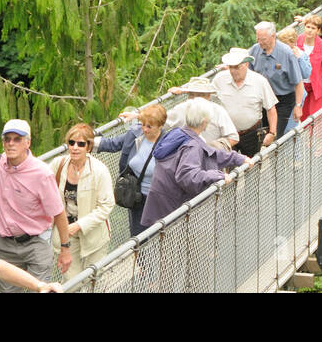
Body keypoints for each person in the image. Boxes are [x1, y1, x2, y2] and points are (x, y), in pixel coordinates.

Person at [0, 118, 72, 292]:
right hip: (5, 245)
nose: (11, 144)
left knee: (42, 289)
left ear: (28, 143)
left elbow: (58, 213)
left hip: (36, 243)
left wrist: (65, 249)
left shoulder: (42, 174)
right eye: (7, 139)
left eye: (17, 139)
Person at [140, 99, 250, 228]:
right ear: (204, 122)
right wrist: (217, 175)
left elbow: (208, 153)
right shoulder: (192, 145)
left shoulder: (177, 134)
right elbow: (187, 176)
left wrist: (237, 158)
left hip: (158, 206)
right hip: (173, 213)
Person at [51, 123, 115, 278]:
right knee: (71, 280)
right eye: (71, 143)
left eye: (81, 144)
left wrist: (79, 225)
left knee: (94, 278)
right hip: (65, 231)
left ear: (89, 147)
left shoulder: (99, 171)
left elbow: (106, 205)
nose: (75, 147)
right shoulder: (58, 165)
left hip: (93, 232)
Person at [97, 104, 166, 236]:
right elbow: (112, 143)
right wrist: (85, 141)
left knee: (158, 235)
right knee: (138, 237)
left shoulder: (168, 143)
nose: (144, 129)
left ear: (160, 126)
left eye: (149, 126)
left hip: (158, 198)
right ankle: (139, 257)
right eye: (143, 124)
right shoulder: (135, 133)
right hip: (137, 196)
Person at [213, 47, 280, 158]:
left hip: (252, 134)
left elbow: (271, 109)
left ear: (247, 65)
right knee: (228, 167)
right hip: (227, 133)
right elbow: (205, 93)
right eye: (230, 67)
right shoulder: (220, 79)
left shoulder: (260, 81)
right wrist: (184, 91)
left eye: (237, 67)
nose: (233, 71)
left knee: (252, 167)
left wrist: (272, 133)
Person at [252, 21, 307, 136]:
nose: (260, 42)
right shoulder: (255, 50)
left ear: (273, 36)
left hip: (283, 100)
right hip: (264, 99)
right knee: (262, 133)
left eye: (263, 39)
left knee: (275, 133)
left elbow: (298, 82)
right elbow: (245, 65)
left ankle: (274, 149)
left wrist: (298, 106)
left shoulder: (286, 53)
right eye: (258, 39)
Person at [164, 76, 239, 151]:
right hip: (185, 157)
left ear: (209, 96)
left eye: (200, 95)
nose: (196, 99)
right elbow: (159, 124)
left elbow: (233, 137)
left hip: (212, 157)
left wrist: (212, 148)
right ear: (188, 96)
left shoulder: (218, 111)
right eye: (192, 94)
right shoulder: (180, 109)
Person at [296, 14, 322, 120]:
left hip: (317, 86)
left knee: (316, 117)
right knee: (303, 116)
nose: (310, 30)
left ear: (318, 31)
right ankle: (306, 137)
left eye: (313, 28)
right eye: (308, 27)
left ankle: (317, 137)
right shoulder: (297, 42)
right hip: (301, 85)